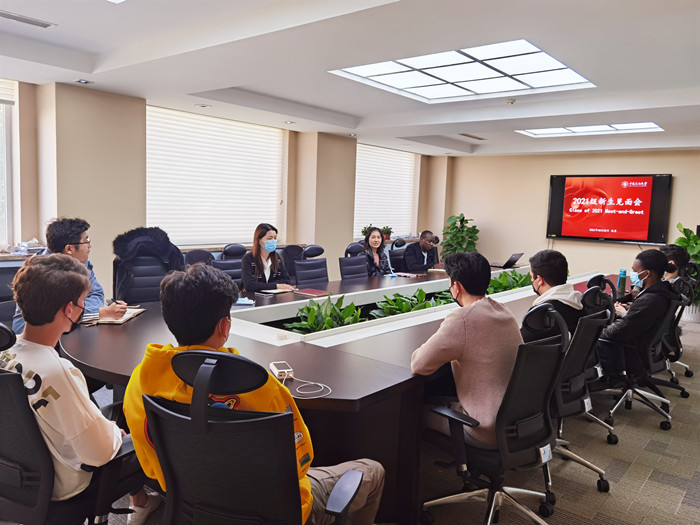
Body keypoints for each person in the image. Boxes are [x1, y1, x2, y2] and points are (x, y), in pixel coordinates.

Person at [123, 264, 384, 524]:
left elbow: (148, 462)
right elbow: (300, 463)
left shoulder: (140, 380)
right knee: (372, 471)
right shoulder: (262, 388)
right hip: (274, 514)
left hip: (191, 505)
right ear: (225, 327)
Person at [0, 255, 159, 524]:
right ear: (69, 310)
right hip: (64, 486)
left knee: (113, 413)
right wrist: (114, 433)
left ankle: (140, 499)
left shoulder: (5, 354)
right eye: (83, 302)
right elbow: (99, 453)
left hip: (17, 476)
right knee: (148, 426)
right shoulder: (58, 371)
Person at [411, 252, 522, 447]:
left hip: (483, 429)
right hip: (516, 422)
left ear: (457, 286)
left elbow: (419, 365)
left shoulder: (462, 319)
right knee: (440, 395)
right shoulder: (503, 310)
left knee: (412, 410)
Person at [13, 217, 127, 334]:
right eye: (86, 241)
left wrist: (78, 309)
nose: (89, 245)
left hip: (66, 330)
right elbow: (60, 315)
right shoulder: (41, 273)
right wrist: (100, 313)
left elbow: (97, 295)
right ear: (69, 249)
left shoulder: (81, 264)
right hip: (35, 337)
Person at [596, 249, 679, 374]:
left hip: (635, 350)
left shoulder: (650, 300)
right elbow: (644, 316)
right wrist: (631, 310)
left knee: (592, 337)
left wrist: (596, 331)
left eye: (635, 271)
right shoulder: (663, 291)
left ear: (647, 273)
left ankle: (610, 378)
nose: (633, 274)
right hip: (648, 344)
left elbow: (619, 332)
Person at [521, 250, 583, 342]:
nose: (531, 280)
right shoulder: (579, 302)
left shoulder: (541, 314)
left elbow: (519, 343)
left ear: (539, 280)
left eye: (531, 277)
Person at [241, 223, 294, 292]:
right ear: (259, 240)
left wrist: (263, 286)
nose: (273, 241)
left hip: (273, 296)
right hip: (253, 297)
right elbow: (249, 285)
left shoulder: (277, 257)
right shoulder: (248, 258)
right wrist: (276, 286)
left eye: (275, 238)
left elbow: (286, 280)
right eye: (269, 238)